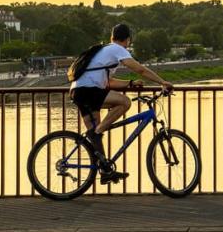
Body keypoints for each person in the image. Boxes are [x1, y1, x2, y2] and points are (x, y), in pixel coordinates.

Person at [69, 23, 174, 184]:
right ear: (128, 40)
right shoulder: (118, 49)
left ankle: (105, 171)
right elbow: (140, 69)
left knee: (96, 136)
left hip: (79, 91)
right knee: (124, 102)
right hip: (88, 91)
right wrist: (162, 82)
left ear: (112, 36)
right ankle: (98, 132)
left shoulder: (106, 50)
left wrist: (129, 83)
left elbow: (108, 82)